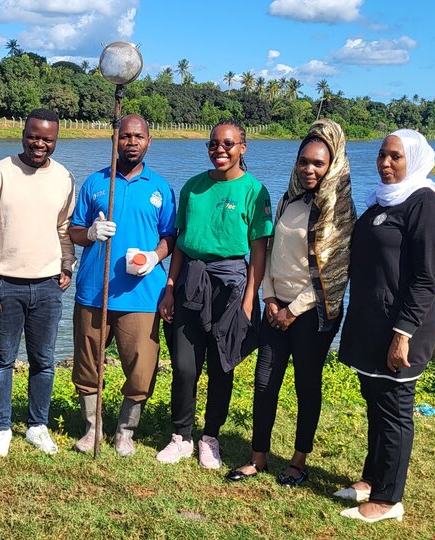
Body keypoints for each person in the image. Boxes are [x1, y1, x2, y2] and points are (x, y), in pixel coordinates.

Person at [225, 119, 355, 486]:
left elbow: (334, 273)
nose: (309, 169)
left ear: (334, 164)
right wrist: (268, 297)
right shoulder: (287, 199)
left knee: (306, 386)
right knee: (265, 383)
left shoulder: (337, 210)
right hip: (274, 305)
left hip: (313, 314)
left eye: (318, 163)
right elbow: (270, 252)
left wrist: (292, 310)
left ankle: (298, 461)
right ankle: (258, 457)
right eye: (304, 161)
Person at [335, 129, 435, 523]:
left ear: (413, 160)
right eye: (382, 155)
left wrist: (404, 332)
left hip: (401, 328)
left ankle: (388, 499)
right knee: (377, 402)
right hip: (371, 321)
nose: (385, 163)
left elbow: (429, 279)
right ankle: (372, 478)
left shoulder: (424, 205)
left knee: (396, 410)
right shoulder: (382, 202)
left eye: (395, 157)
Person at [156, 121, 271, 468]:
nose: (220, 150)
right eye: (213, 144)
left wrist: (250, 300)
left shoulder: (254, 190)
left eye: (228, 144)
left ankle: (210, 437)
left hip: (232, 283)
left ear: (243, 148)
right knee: (185, 366)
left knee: (223, 366)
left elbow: (259, 251)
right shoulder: (193, 187)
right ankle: (181, 436)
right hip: (191, 277)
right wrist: (170, 288)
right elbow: (180, 243)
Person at [0, 108, 76, 457]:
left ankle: (37, 425)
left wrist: (67, 264)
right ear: (23, 134)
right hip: (5, 284)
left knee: (43, 361)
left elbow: (63, 228)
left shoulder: (63, 178)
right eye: (34, 136)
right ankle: (1, 427)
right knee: (1, 359)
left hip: (47, 286)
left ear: (56, 140)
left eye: (48, 139)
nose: (40, 144)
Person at [68, 114, 175, 457]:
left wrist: (155, 256)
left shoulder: (160, 188)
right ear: (114, 140)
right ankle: (92, 428)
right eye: (124, 136)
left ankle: (125, 431)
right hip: (93, 291)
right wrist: (90, 235)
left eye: (137, 136)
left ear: (149, 141)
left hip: (142, 294)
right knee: (88, 362)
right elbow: (74, 230)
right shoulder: (95, 183)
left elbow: (170, 236)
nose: (131, 142)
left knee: (141, 365)